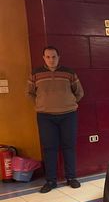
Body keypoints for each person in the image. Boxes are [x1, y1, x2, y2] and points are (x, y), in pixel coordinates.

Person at [27, 46, 84, 193]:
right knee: (49, 148)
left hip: (68, 115)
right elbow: (30, 93)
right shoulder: (35, 73)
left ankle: (71, 178)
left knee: (69, 146)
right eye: (48, 57)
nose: (51, 60)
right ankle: (51, 181)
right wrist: (41, 105)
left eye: (54, 57)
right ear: (43, 58)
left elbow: (79, 92)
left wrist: (69, 103)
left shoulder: (69, 73)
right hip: (45, 117)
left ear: (59, 57)